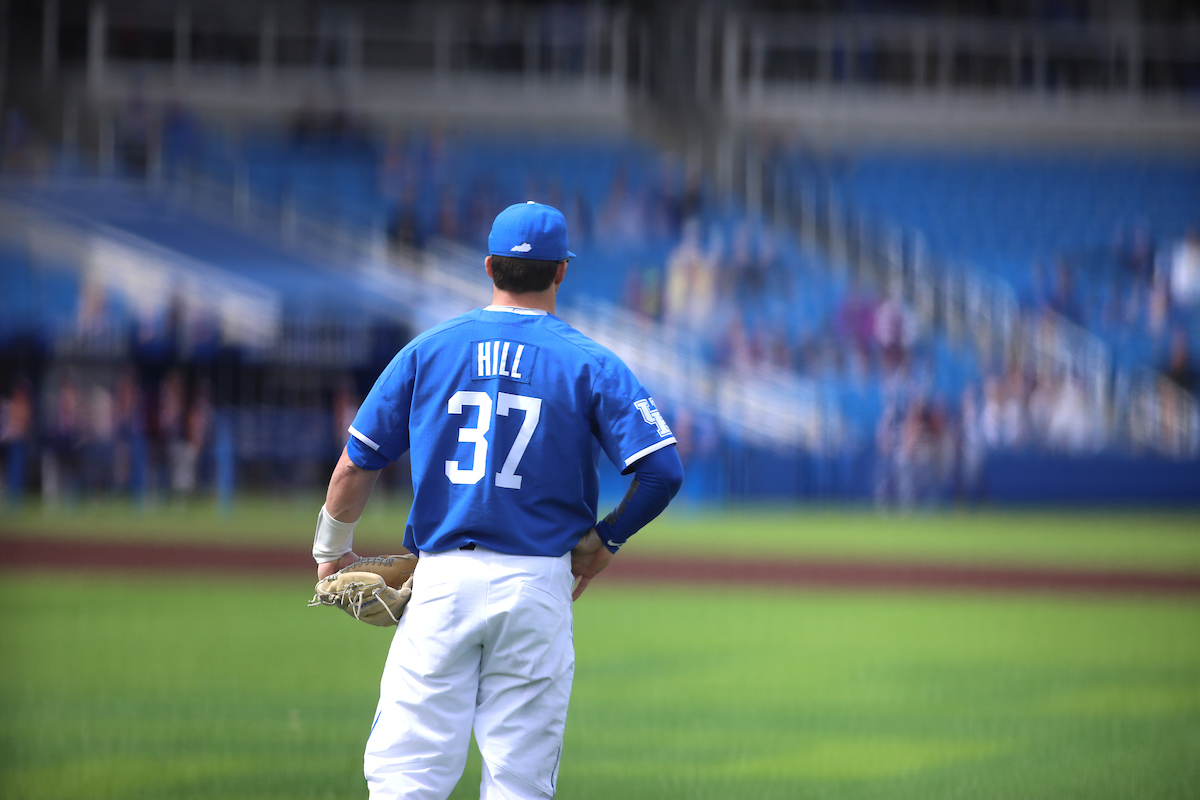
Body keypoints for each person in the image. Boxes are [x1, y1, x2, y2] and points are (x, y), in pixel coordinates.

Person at [313, 201, 684, 800]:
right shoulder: (591, 361)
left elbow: (355, 465)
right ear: (561, 271)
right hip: (540, 583)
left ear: (488, 266)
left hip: (441, 582)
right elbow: (662, 474)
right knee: (519, 785)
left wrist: (332, 555)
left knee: (407, 778)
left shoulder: (429, 349)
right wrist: (605, 540)